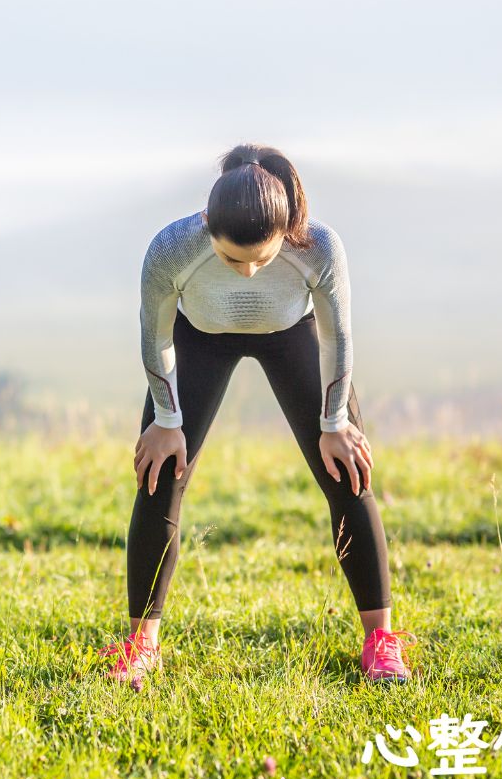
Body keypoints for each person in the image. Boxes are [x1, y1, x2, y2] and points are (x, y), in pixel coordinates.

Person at [98, 142, 417, 684]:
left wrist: (335, 422)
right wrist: (166, 421)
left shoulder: (317, 247)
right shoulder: (173, 248)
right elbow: (155, 335)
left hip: (289, 336)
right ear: (207, 226)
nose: (247, 274)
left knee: (348, 472)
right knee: (159, 476)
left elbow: (337, 336)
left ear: (288, 230)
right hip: (199, 339)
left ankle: (381, 641)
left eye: (262, 260)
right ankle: (142, 645)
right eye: (230, 260)